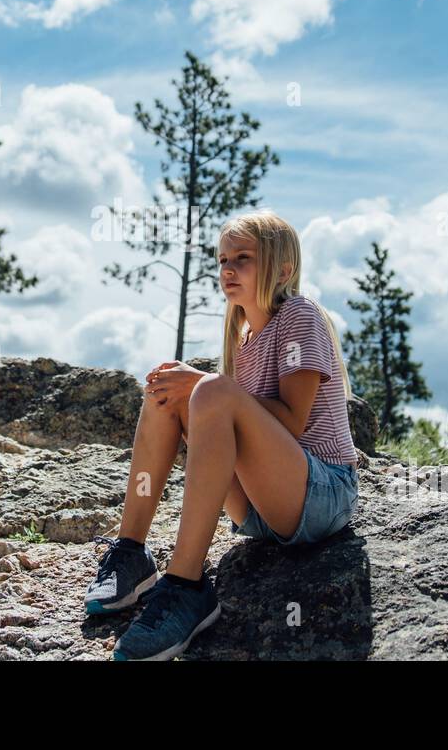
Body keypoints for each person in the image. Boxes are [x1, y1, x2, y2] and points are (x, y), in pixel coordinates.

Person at [86, 209, 360, 660]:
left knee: (207, 388)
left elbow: (291, 422)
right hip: (261, 509)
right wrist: (190, 388)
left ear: (284, 269)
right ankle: (132, 552)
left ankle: (187, 584)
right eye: (222, 260)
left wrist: (205, 386)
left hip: (321, 493)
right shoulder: (242, 336)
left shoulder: (299, 316)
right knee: (166, 391)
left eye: (243, 258)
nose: (228, 269)